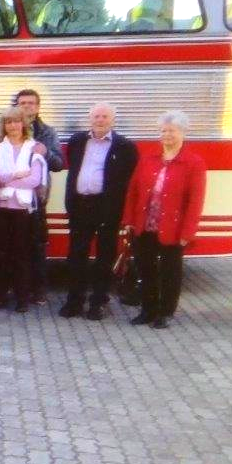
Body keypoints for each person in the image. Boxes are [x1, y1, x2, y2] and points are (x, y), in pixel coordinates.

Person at [123, 111, 206, 329]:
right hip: (145, 224)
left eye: (172, 130)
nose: (167, 135)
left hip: (173, 228)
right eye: (163, 130)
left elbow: (195, 201)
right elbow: (133, 191)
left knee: (170, 272)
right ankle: (147, 310)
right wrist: (129, 220)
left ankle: (165, 312)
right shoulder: (149, 159)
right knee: (145, 269)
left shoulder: (193, 162)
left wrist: (188, 233)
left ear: (183, 133)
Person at [60, 103, 138, 321]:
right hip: (80, 206)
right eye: (96, 116)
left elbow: (128, 181)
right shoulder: (77, 141)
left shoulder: (125, 146)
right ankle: (74, 301)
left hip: (106, 208)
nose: (100, 120)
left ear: (112, 120)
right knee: (76, 256)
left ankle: (98, 302)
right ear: (90, 119)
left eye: (104, 116)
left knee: (104, 257)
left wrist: (121, 210)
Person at [0, 107, 48, 312]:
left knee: (22, 255)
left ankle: (22, 298)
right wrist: (17, 175)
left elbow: (35, 179)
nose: (12, 126)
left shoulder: (34, 148)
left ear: (23, 124)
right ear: (4, 126)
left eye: (16, 121)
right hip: (1, 210)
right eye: (8, 122)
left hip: (23, 211)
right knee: (1, 254)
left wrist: (8, 179)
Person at [14, 88, 64, 304]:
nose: (27, 106)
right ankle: (17, 288)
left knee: (37, 244)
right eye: (23, 103)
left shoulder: (48, 132)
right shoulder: (8, 128)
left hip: (37, 198)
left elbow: (59, 164)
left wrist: (46, 152)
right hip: (12, 197)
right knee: (14, 244)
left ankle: (39, 289)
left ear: (38, 107)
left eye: (31, 103)